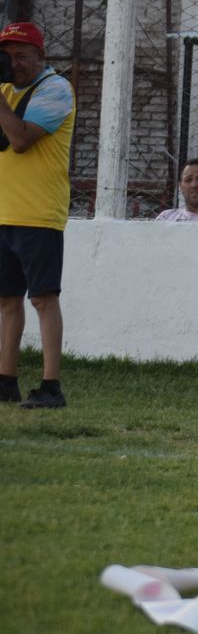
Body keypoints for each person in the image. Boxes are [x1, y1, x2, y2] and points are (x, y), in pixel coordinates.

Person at [0, 22, 75, 409]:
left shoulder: (55, 89)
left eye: (22, 56)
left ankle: (51, 387)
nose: (15, 65)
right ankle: (6, 380)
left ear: (41, 56)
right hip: (4, 210)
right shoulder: (5, 91)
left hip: (38, 213)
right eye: (8, 57)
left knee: (43, 299)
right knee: (5, 300)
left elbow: (20, 139)